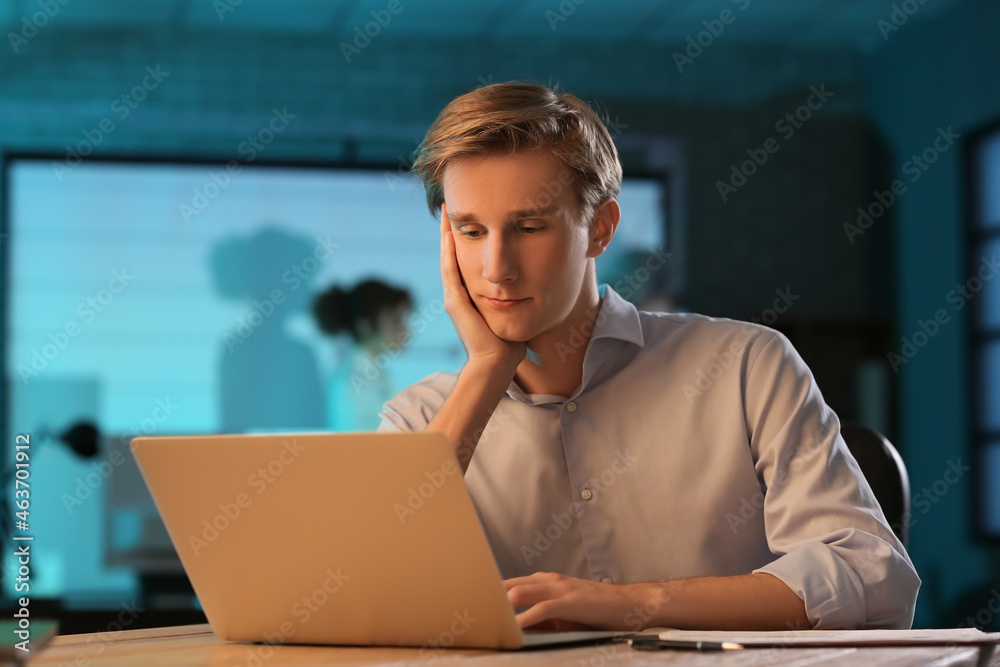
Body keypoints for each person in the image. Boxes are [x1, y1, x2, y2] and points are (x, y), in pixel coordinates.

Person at [378, 82, 920, 631]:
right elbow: (353, 595)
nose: (496, 268)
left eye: (530, 226)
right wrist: (487, 370)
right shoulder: (420, 420)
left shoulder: (745, 366)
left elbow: (871, 576)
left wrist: (622, 606)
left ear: (601, 228)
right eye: (471, 231)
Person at [313, 279, 412, 431]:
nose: (406, 331)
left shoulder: (372, 371)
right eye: (395, 321)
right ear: (365, 326)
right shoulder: (354, 379)